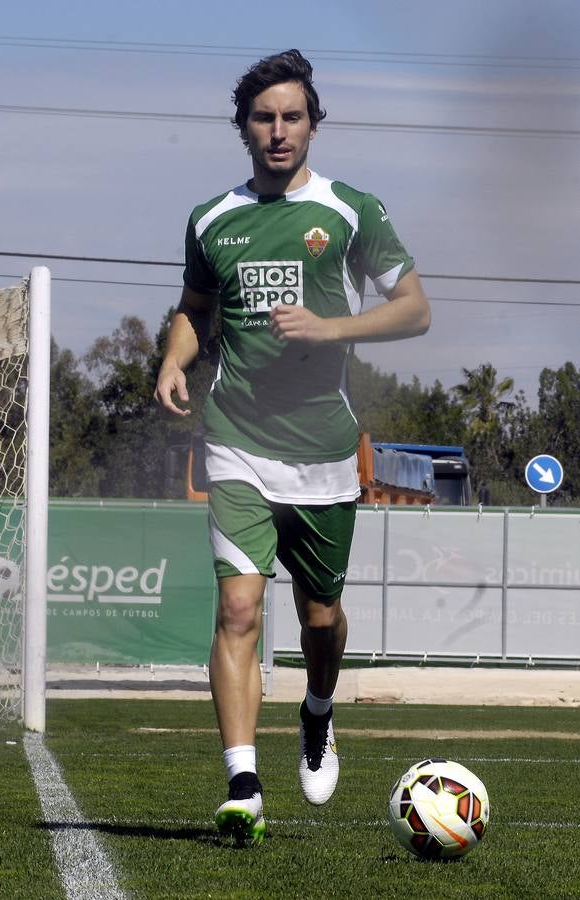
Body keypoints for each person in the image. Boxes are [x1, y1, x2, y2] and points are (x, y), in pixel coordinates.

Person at [155, 48, 431, 843]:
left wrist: (333, 325)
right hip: (235, 438)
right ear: (242, 127)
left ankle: (316, 709)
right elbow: (193, 307)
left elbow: (413, 309)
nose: (278, 131)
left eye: (291, 117)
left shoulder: (350, 211)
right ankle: (243, 782)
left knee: (320, 619)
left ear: (313, 125)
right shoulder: (211, 218)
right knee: (239, 605)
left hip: (324, 452)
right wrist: (176, 358)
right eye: (263, 118)